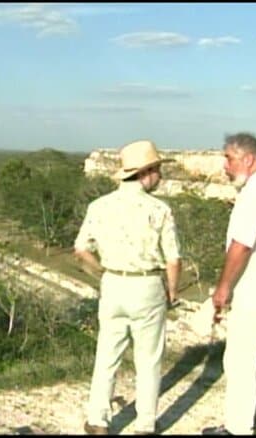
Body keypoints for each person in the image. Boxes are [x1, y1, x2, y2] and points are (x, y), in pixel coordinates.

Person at [75, 140, 181, 435]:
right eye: (157, 170)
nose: (160, 176)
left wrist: (102, 272)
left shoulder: (99, 206)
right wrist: (172, 292)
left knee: (107, 354)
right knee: (148, 360)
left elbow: (81, 249)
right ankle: (145, 423)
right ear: (145, 172)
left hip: (113, 282)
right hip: (147, 284)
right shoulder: (159, 209)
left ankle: (98, 419)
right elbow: (173, 259)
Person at [202, 133, 256, 435]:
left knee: (241, 362)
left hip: (254, 291)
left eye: (229, 158)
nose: (225, 166)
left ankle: (238, 427)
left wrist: (223, 287)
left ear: (248, 159)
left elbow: (241, 245)